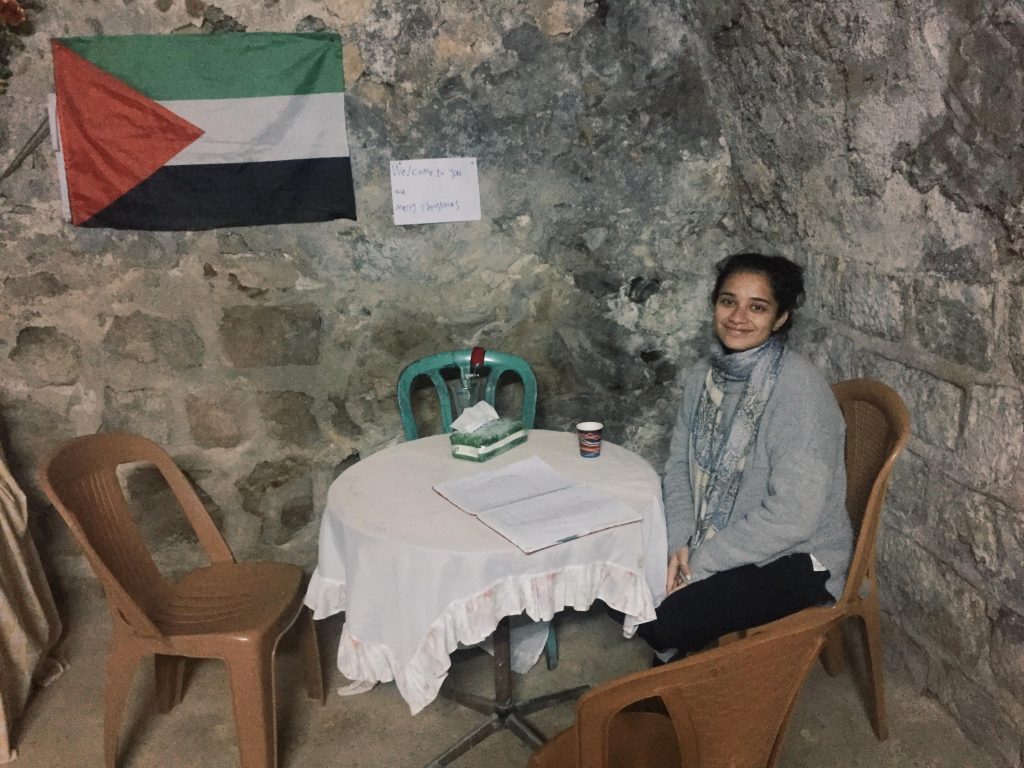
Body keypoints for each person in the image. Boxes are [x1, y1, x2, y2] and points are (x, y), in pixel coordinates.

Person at [639, 252, 852, 662]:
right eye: (727, 301)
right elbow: (680, 467)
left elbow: (793, 516)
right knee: (622, 580)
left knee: (662, 618)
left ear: (781, 318)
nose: (738, 316)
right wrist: (680, 543)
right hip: (720, 536)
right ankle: (676, 685)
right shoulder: (705, 374)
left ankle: (682, 699)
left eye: (758, 307)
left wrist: (700, 563)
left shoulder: (798, 391)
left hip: (798, 555)